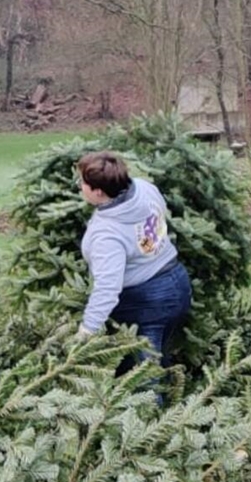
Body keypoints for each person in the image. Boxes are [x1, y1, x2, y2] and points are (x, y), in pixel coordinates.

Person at [77, 151, 192, 374]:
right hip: (178, 282)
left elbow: (108, 288)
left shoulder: (107, 234)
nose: (80, 186)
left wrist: (87, 329)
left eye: (83, 183)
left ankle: (158, 408)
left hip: (146, 304)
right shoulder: (143, 188)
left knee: (143, 378)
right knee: (157, 359)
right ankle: (172, 400)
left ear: (98, 192)